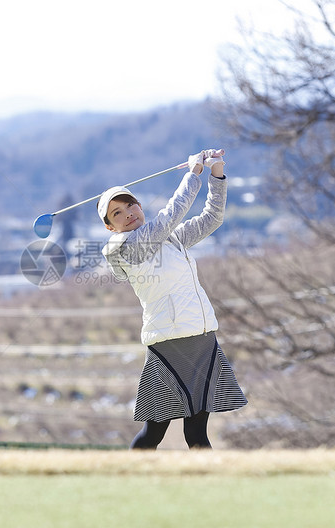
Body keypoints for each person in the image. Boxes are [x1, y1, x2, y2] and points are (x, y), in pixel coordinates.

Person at [98, 149, 247, 449]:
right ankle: (128, 480)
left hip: (201, 337)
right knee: (155, 432)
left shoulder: (171, 237)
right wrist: (193, 174)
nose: (128, 212)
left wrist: (216, 173)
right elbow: (172, 213)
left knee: (197, 432)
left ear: (139, 207)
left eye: (131, 205)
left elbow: (212, 218)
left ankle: (209, 487)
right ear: (110, 227)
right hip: (169, 343)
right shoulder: (125, 247)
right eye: (117, 213)